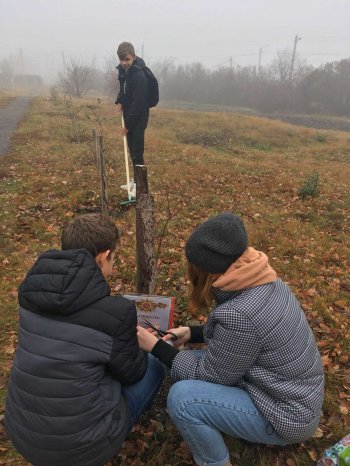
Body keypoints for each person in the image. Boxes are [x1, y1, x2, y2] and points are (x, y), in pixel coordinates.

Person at [137, 212, 325, 466]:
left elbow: (209, 376)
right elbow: (249, 337)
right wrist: (191, 333)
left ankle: (215, 462)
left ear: (205, 271)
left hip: (286, 415)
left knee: (183, 399)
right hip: (296, 395)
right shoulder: (263, 278)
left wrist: (157, 347)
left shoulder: (239, 314)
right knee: (191, 359)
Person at [4, 213, 165, 466]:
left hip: (22, 433)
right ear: (103, 256)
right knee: (155, 364)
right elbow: (132, 373)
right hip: (83, 448)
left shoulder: (31, 292)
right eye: (114, 257)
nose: (114, 264)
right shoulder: (116, 311)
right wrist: (143, 345)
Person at [116, 41, 150, 174]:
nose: (124, 63)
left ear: (133, 57)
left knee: (137, 151)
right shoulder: (124, 71)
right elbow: (123, 88)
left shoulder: (139, 75)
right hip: (129, 113)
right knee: (131, 150)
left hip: (139, 117)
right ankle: (135, 181)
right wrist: (119, 100)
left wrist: (128, 125)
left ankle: (140, 186)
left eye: (127, 59)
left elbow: (139, 103)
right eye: (121, 60)